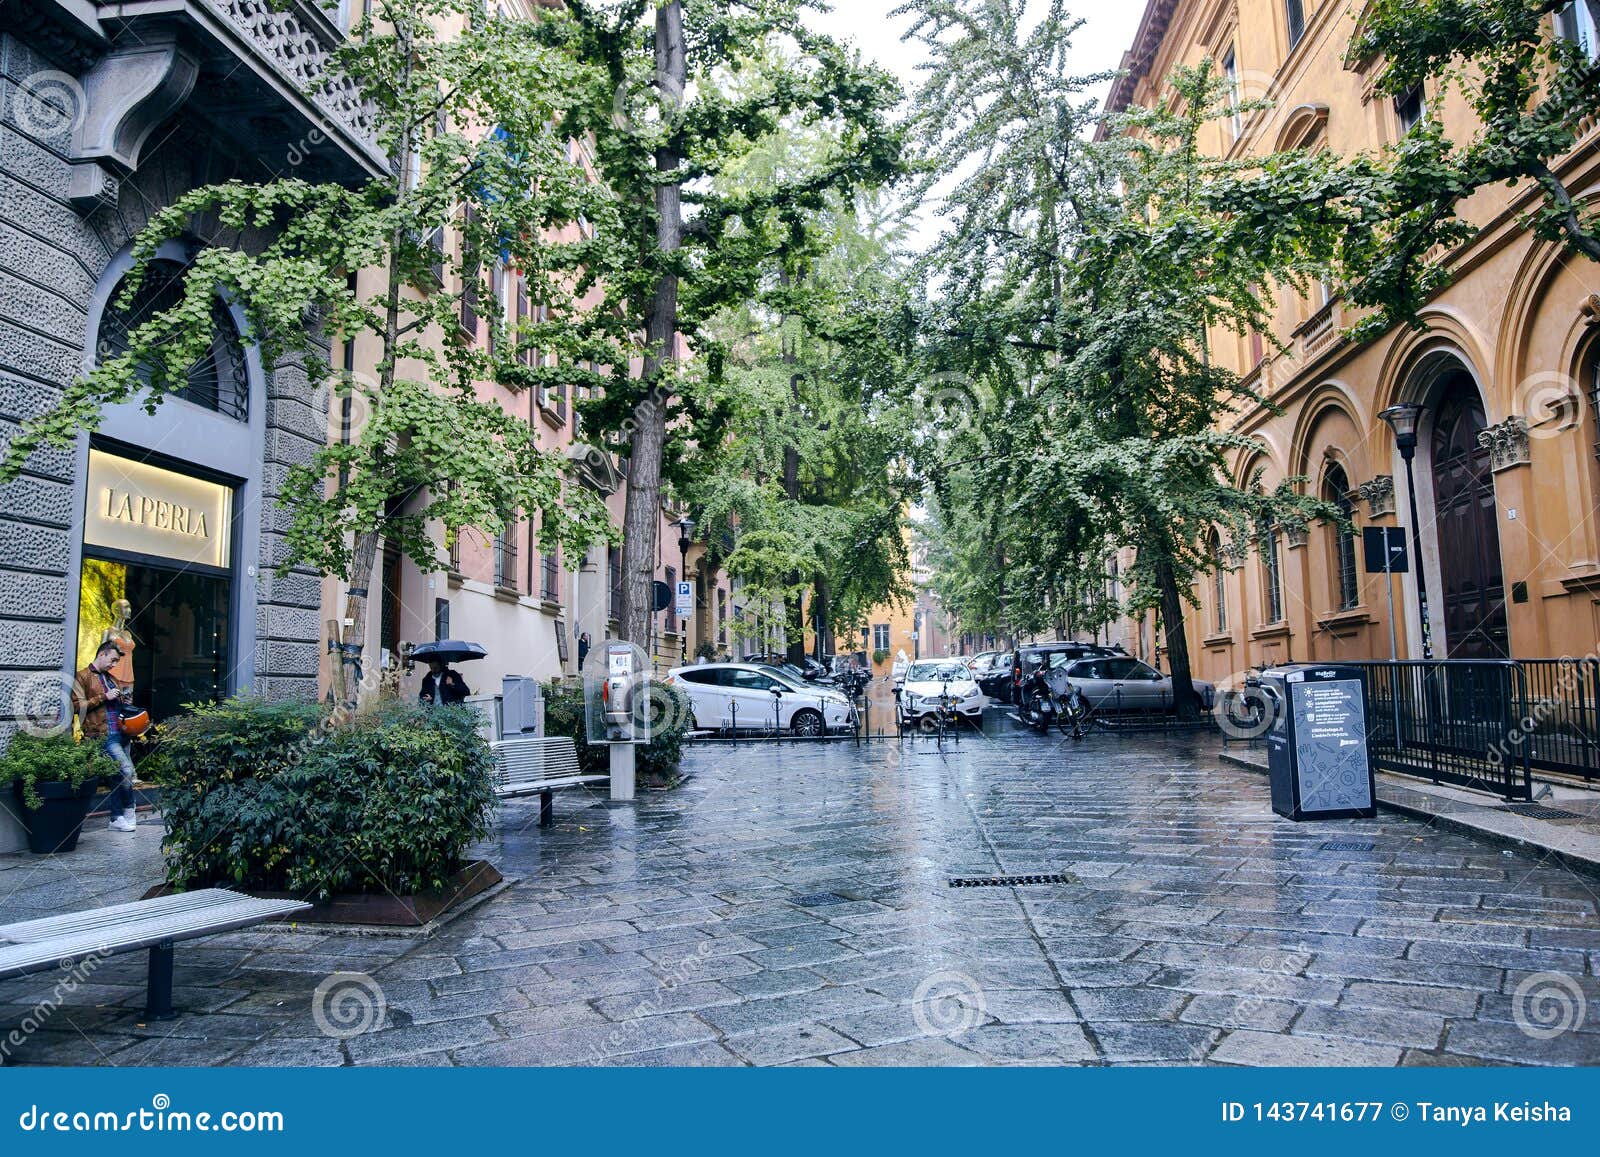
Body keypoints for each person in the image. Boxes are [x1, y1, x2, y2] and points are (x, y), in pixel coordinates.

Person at [71, 640, 138, 833]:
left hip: (121, 734)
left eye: (117, 661)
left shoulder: (111, 679)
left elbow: (118, 706)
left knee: (116, 775)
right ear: (102, 654)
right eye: (113, 660)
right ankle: (129, 810)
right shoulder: (82, 676)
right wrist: (103, 697)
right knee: (125, 771)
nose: (114, 665)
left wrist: (125, 701)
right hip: (101, 734)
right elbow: (76, 707)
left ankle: (116, 818)